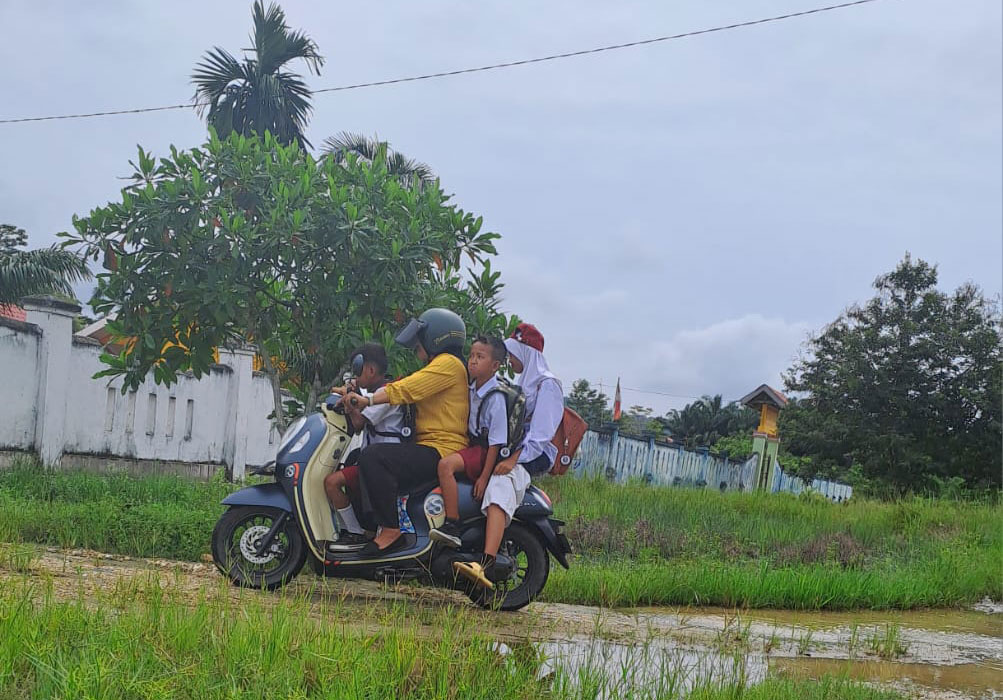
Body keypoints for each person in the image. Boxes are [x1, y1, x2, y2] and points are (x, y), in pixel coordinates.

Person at [345, 308, 470, 556]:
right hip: (429, 445)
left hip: (442, 448)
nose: (416, 347)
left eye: (419, 340)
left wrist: (369, 401)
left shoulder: (448, 364)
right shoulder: (441, 365)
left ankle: (391, 531)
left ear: (435, 337)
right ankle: (370, 529)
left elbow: (408, 388)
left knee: (373, 456)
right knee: (360, 459)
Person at [453, 322, 564, 588]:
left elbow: (540, 436)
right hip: (514, 449)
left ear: (527, 353)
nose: (509, 360)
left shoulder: (547, 385)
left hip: (533, 455)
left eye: (513, 354)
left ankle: (486, 562)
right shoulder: (523, 382)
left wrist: (513, 460)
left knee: (500, 484)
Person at [429, 335, 509, 548]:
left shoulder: (496, 398)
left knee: (445, 465)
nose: (472, 361)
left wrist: (484, 477)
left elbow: (495, 443)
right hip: (469, 443)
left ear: (495, 366)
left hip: (482, 449)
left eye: (480, 357)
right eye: (471, 355)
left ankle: (451, 524)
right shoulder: (471, 388)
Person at [323, 342, 404, 552]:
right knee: (349, 462)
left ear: (370, 370)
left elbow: (359, 423)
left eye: (358, 370)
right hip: (371, 460)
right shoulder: (372, 394)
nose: (356, 376)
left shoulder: (385, 394)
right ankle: (361, 529)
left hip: (383, 463)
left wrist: (349, 399)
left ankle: (354, 533)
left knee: (332, 482)